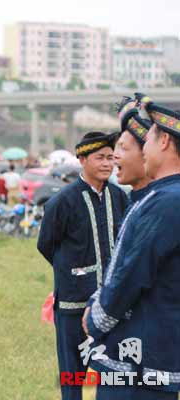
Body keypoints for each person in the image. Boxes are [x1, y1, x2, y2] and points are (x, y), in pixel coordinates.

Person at [80, 95, 180, 399]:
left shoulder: (168, 201)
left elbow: (131, 273)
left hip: (143, 359)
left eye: (146, 139)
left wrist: (96, 317)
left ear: (163, 141)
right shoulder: (161, 197)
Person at [37, 132, 128, 400]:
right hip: (73, 305)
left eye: (111, 158)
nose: (107, 164)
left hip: (112, 304)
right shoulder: (62, 201)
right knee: (73, 374)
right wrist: (72, 273)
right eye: (100, 158)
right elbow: (46, 245)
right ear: (82, 159)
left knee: (115, 373)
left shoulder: (120, 198)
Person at [113, 97, 153, 202]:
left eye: (123, 148)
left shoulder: (165, 201)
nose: (114, 155)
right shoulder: (130, 200)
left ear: (147, 153)